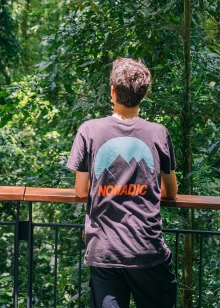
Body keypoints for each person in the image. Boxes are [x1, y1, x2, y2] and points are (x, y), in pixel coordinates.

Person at [67, 58, 179, 308]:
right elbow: (171, 191)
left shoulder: (89, 130)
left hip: (104, 251)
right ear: (145, 93)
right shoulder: (158, 133)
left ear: (112, 91)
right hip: (147, 250)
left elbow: (81, 190)